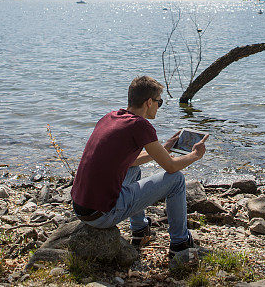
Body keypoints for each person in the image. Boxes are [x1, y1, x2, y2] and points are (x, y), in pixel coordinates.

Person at [70, 75, 207, 257]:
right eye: (160, 101)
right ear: (149, 102)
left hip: (81, 207)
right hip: (102, 214)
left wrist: (163, 148)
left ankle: (140, 230)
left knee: (133, 170)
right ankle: (180, 244)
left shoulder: (111, 117)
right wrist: (195, 155)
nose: (160, 106)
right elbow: (171, 167)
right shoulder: (141, 125)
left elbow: (130, 161)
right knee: (177, 180)